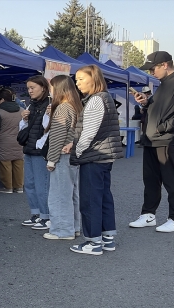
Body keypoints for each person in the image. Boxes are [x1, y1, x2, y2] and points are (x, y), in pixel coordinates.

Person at [129, 51, 174, 232]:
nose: (151, 72)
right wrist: (145, 103)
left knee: (172, 180)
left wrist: (162, 128)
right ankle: (148, 215)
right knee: (150, 180)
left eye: (153, 68)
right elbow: (160, 109)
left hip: (168, 140)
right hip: (152, 140)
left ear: (164, 65)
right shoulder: (163, 83)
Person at [66, 65, 123, 255]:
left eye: (82, 79)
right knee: (103, 197)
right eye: (76, 79)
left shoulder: (96, 100)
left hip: (94, 156)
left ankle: (93, 242)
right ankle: (107, 238)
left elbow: (88, 133)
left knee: (90, 200)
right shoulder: (104, 98)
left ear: (94, 78)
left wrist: (78, 151)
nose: (78, 83)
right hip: (104, 156)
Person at [43, 75, 82, 240]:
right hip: (73, 155)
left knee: (59, 195)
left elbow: (57, 136)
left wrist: (51, 159)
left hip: (62, 156)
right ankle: (74, 227)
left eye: (52, 88)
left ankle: (62, 230)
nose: (50, 91)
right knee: (72, 193)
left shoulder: (62, 108)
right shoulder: (76, 106)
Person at [20, 75, 51, 230]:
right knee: (30, 184)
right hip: (29, 148)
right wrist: (24, 119)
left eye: (32, 88)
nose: (30, 91)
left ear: (43, 87)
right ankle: (36, 213)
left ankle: (46, 216)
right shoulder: (31, 105)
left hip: (41, 151)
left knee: (42, 184)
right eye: (28, 88)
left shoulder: (50, 105)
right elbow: (25, 128)